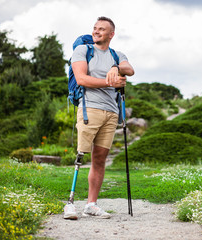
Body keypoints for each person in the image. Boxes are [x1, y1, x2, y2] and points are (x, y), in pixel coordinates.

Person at [64, 16, 134, 219]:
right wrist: (110, 82)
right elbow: (81, 78)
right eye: (95, 28)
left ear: (111, 34)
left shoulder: (116, 54)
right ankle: (69, 204)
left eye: (101, 29)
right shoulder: (83, 51)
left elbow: (130, 69)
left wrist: (116, 68)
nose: (96, 31)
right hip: (90, 108)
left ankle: (91, 204)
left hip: (111, 112)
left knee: (100, 158)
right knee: (80, 156)